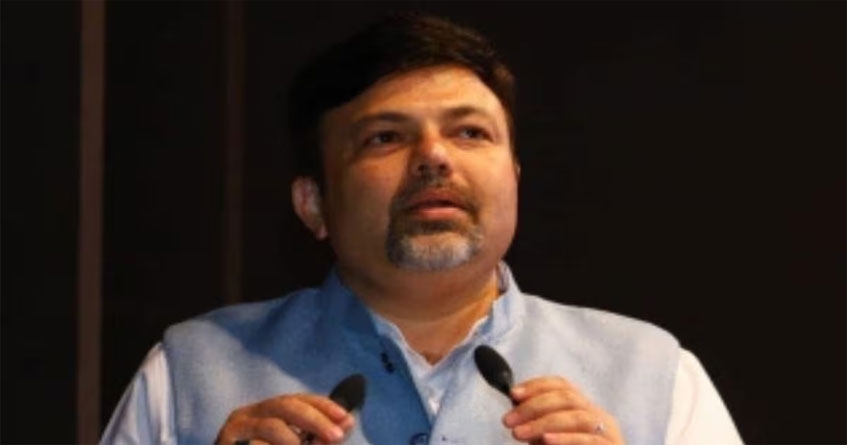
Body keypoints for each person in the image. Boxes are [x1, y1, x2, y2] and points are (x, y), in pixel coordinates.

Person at [102, 12, 743, 445]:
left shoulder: (655, 375)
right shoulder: (187, 374)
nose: (434, 157)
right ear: (313, 204)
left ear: (515, 177)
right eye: (385, 137)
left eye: (470, 132)